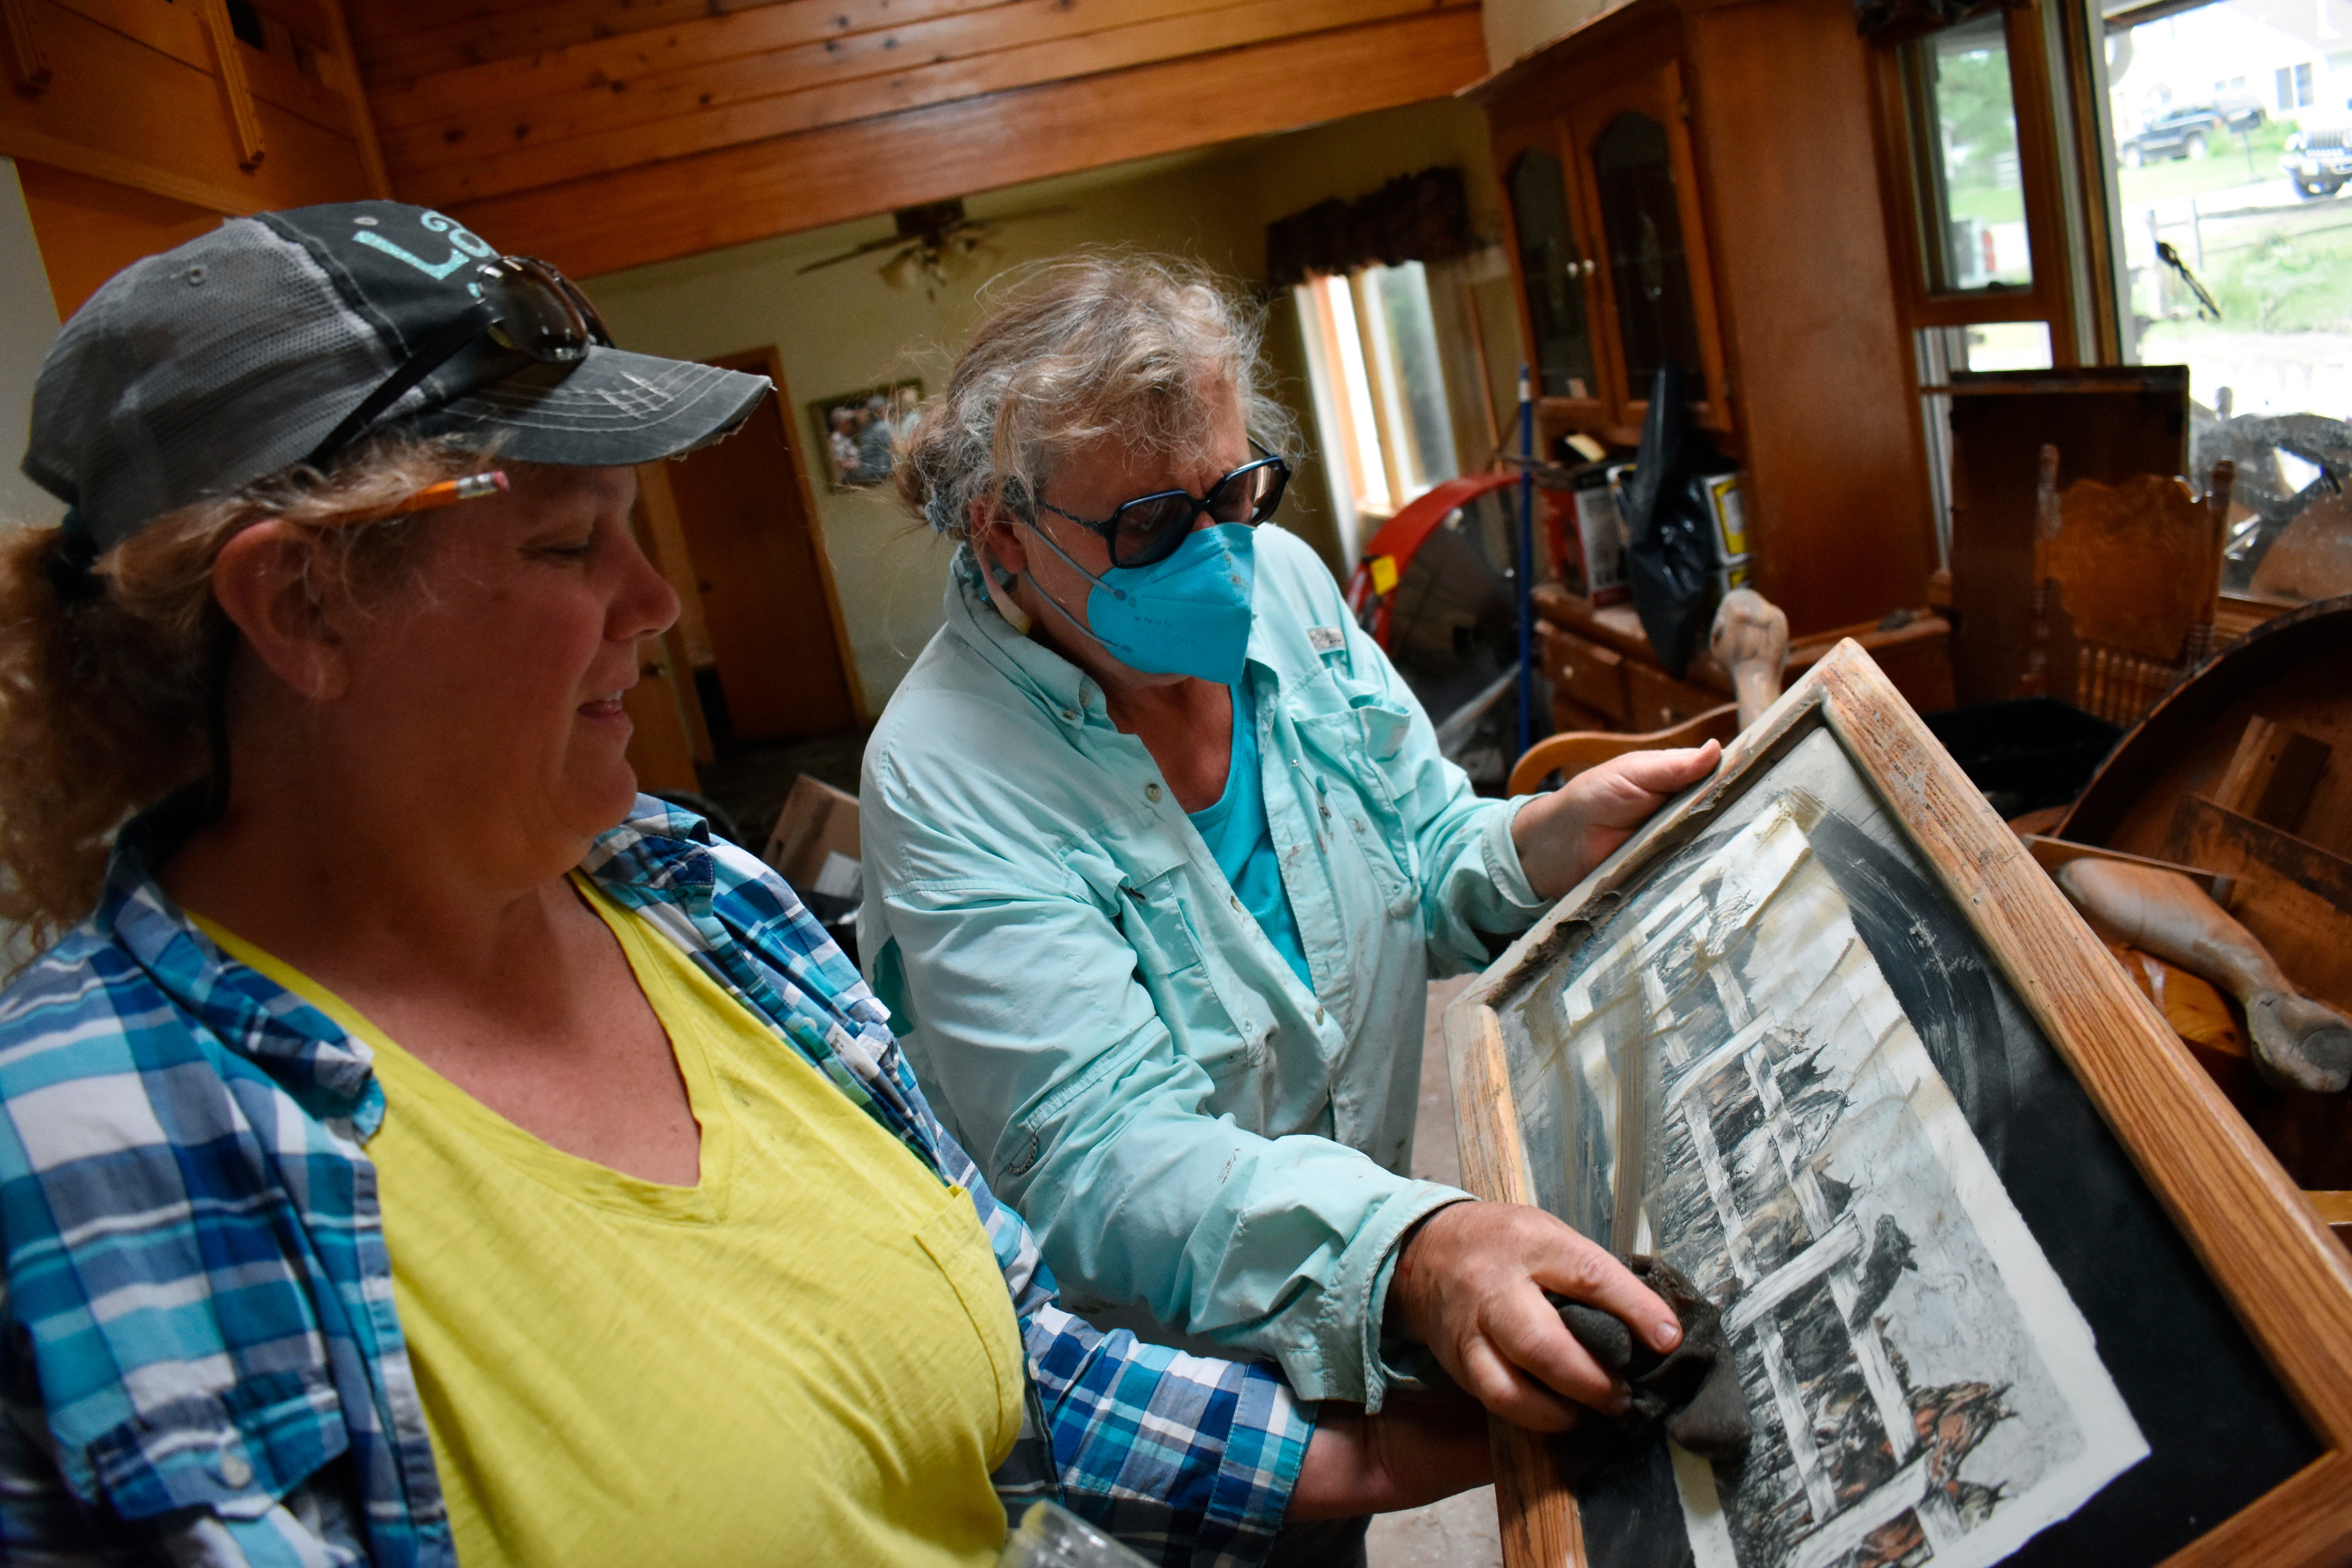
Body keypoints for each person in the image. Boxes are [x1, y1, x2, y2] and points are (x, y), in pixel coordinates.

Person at [0, 205, 1488, 1567]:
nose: (653, 606)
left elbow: (1018, 1345)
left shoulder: (701, 900)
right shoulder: (90, 1156)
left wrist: (1359, 1448)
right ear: (299, 603)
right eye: (570, 543)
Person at [860, 256, 1717, 1522]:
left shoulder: (1293, 590)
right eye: (1151, 526)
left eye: (1234, 492)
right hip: (1163, 1415)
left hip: (1366, 1303)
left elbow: (1421, 853)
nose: (1216, 556)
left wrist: (1546, 839)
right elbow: (1102, 1155)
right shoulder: (945, 774)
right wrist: (1416, 1250)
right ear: (1004, 529)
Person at [829, 403, 862, 482]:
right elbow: (841, 464)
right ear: (840, 423)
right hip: (847, 479)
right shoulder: (836, 439)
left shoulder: (846, 438)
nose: (851, 424)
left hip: (855, 476)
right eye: (847, 421)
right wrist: (860, 467)